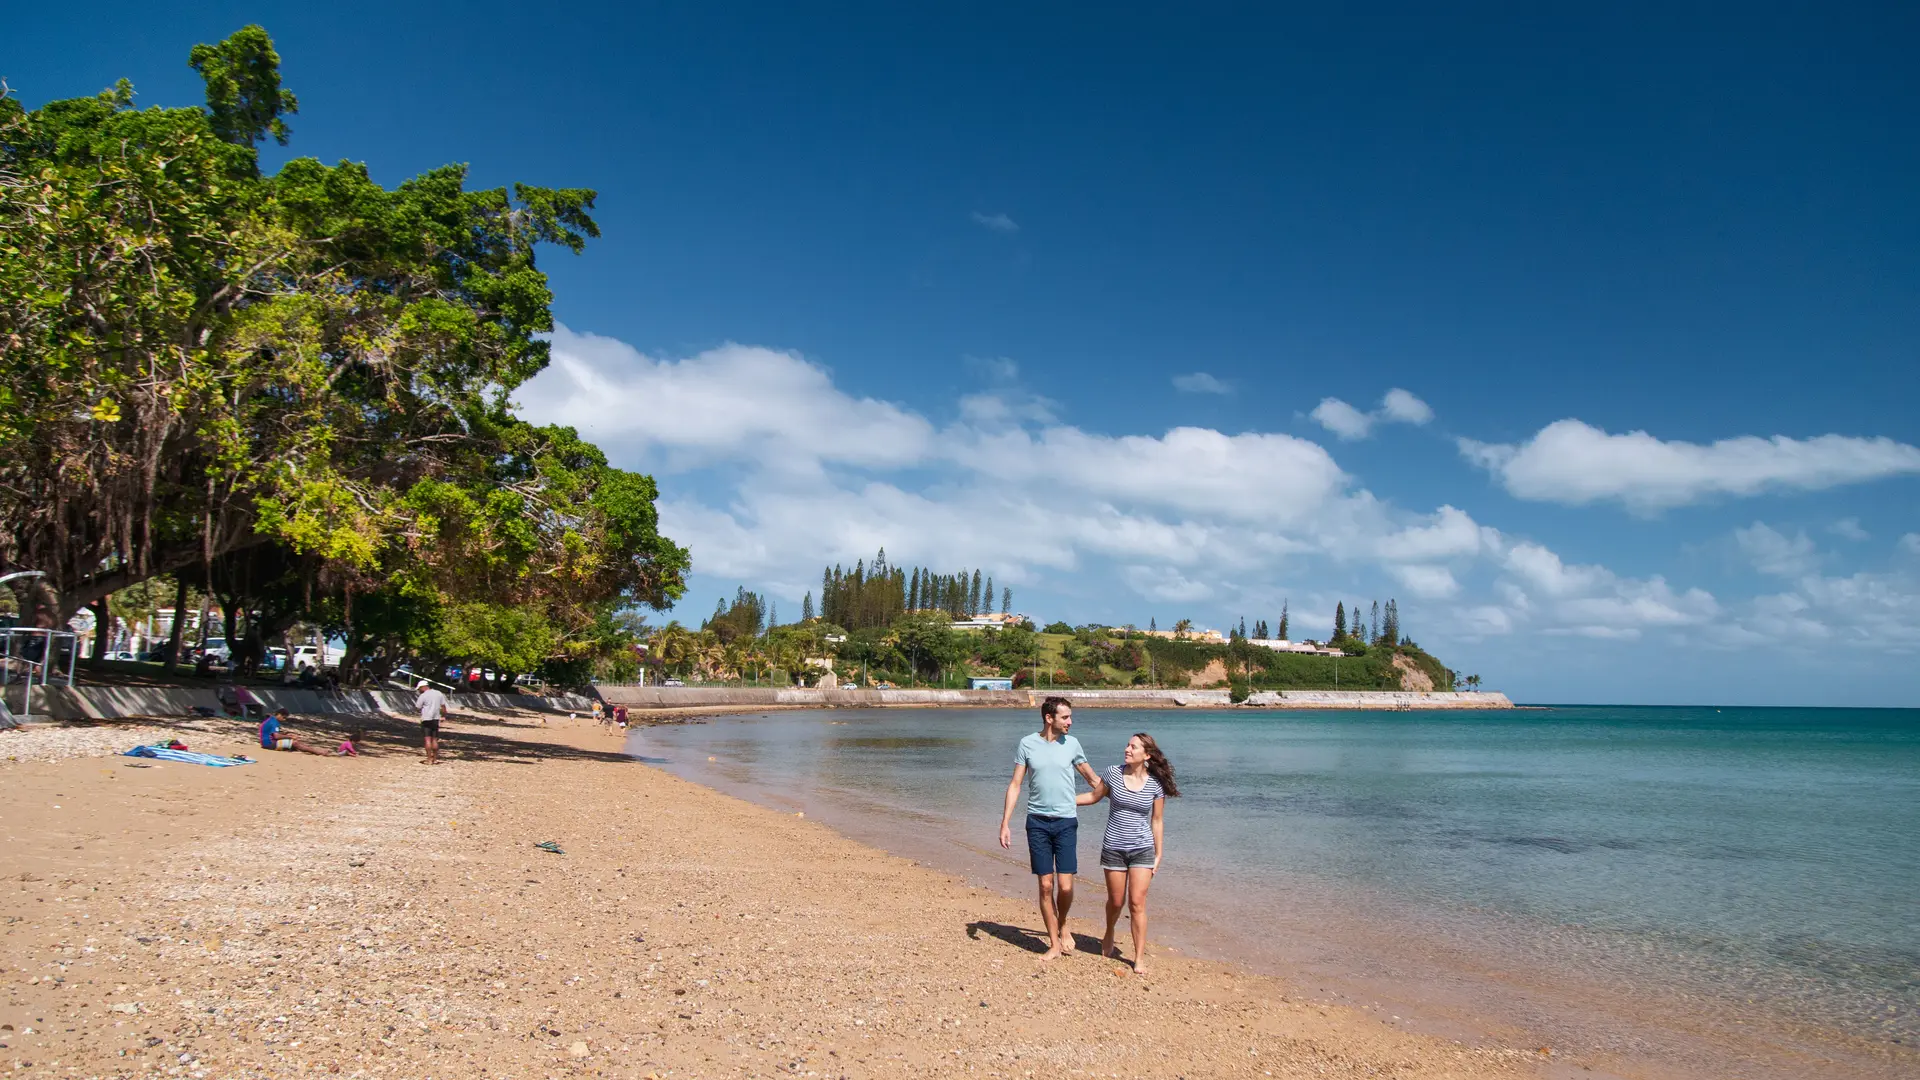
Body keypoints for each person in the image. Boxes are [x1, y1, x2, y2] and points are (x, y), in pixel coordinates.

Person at [999, 696, 1100, 960]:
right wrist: (1005, 823)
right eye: (1065, 717)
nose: (1070, 721)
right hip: (1037, 822)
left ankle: (1063, 922)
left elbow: (1093, 780)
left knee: (1065, 887)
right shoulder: (1027, 744)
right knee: (1046, 886)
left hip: (1066, 822)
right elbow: (1015, 785)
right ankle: (1054, 943)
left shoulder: (1073, 744)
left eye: (1070, 716)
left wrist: (1127, 793)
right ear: (1049, 718)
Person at [1075, 732, 1179, 974]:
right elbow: (1093, 796)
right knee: (1116, 901)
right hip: (1113, 847)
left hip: (1143, 849)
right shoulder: (1112, 773)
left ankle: (1139, 957)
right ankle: (1110, 930)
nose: (1127, 749)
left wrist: (1159, 853)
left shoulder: (1156, 784)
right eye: (1127, 745)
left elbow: (1157, 820)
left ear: (1147, 755)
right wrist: (1064, 801)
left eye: (1133, 747)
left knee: (1136, 903)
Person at [257, 708, 333, 756]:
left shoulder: (271, 720)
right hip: (269, 744)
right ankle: (317, 751)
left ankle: (315, 749)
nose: (284, 719)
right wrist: (290, 736)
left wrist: (286, 735)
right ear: (279, 715)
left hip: (266, 742)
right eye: (284, 717)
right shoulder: (274, 722)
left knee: (294, 742)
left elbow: (273, 734)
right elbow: (276, 736)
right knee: (294, 742)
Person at [416, 678, 449, 764]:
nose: (419, 690)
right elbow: (443, 706)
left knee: (427, 739)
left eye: (419, 689)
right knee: (434, 739)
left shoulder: (423, 695)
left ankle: (429, 759)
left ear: (423, 687)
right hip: (436, 718)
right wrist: (444, 716)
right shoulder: (438, 693)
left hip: (426, 718)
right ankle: (435, 758)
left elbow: (418, 707)